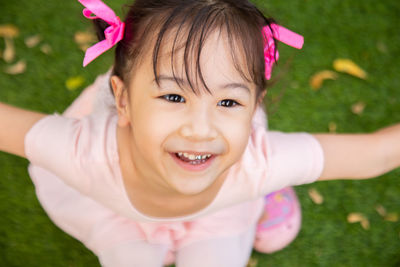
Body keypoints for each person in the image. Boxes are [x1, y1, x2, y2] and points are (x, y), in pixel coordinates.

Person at [0, 0, 399, 266]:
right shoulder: (82, 152)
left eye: (228, 103)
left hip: (224, 209)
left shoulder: (259, 160)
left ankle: (266, 194)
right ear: (122, 101)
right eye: (173, 96)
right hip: (109, 206)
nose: (199, 129)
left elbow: (378, 152)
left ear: (255, 103)